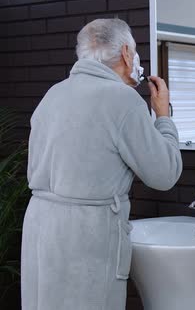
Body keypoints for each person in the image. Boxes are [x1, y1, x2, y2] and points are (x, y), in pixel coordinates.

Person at [21, 18, 183, 310]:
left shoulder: (53, 94)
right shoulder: (123, 100)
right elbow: (165, 173)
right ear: (125, 53)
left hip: (40, 230)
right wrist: (162, 116)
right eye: (134, 52)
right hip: (87, 239)